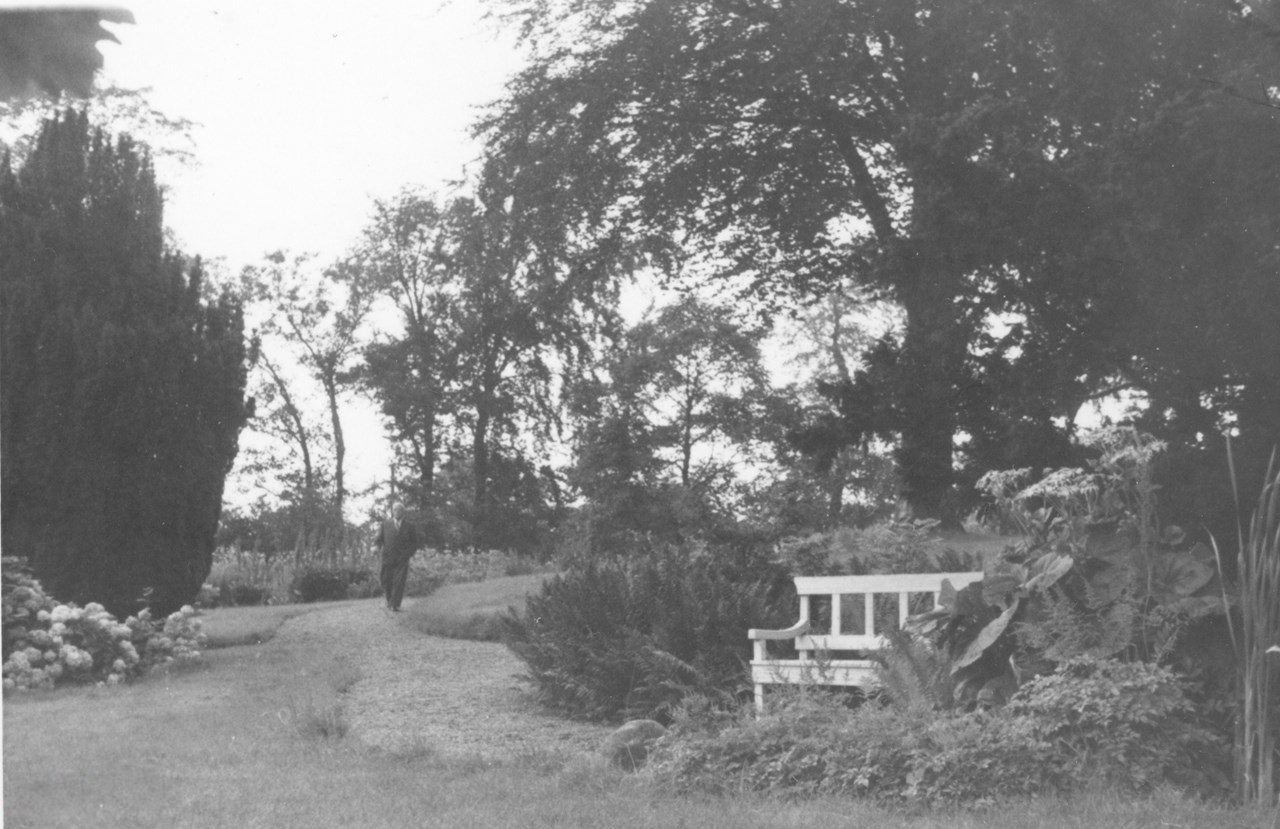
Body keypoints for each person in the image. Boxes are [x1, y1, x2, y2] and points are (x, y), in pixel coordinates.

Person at [376, 501, 419, 612]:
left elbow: (415, 543)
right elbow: (379, 539)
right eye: (395, 509)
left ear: (403, 512)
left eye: (399, 510)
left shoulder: (410, 526)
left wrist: (408, 554)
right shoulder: (385, 524)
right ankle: (390, 599)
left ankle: (395, 604)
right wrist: (377, 547)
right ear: (392, 511)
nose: (397, 512)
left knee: (399, 581)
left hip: (402, 558)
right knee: (386, 579)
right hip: (388, 557)